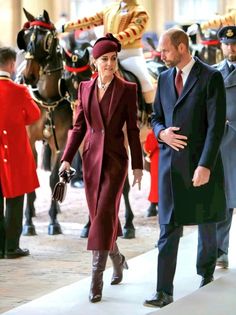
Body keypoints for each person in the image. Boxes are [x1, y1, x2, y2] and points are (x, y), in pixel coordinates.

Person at [144, 28, 226, 308]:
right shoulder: (165, 77)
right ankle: (163, 290)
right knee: (168, 227)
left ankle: (206, 274)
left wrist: (205, 165)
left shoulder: (211, 77)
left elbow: (216, 127)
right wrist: (161, 133)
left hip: (201, 164)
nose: (162, 55)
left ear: (181, 48)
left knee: (206, 222)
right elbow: (155, 117)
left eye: (165, 50)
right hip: (170, 167)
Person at [59, 33, 143, 303]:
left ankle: (96, 279)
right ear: (94, 62)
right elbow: (78, 127)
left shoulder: (128, 89)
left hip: (117, 161)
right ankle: (117, 259)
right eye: (104, 59)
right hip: (91, 159)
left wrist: (138, 166)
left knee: (105, 210)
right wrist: (66, 158)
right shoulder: (84, 88)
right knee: (101, 217)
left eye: (113, 59)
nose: (110, 63)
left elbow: (132, 129)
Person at [60, 0, 155, 112]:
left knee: (145, 81)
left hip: (129, 54)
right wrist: (65, 27)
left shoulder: (139, 12)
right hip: (107, 51)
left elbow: (134, 31)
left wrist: (111, 40)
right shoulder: (110, 8)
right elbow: (90, 21)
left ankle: (150, 114)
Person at [0, 47, 40, 259]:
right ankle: (11, 247)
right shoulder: (20, 90)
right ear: (12, 65)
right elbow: (34, 115)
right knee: (15, 200)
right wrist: (16, 120)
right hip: (15, 154)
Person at [214, 26, 236, 269]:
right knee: (225, 197)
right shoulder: (214, 73)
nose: (231, 48)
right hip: (223, 142)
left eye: (235, 43)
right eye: (227, 44)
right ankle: (221, 249)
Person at [143, 129, 159, 217]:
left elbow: (148, 147)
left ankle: (154, 205)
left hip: (156, 160)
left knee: (155, 183)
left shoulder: (152, 134)